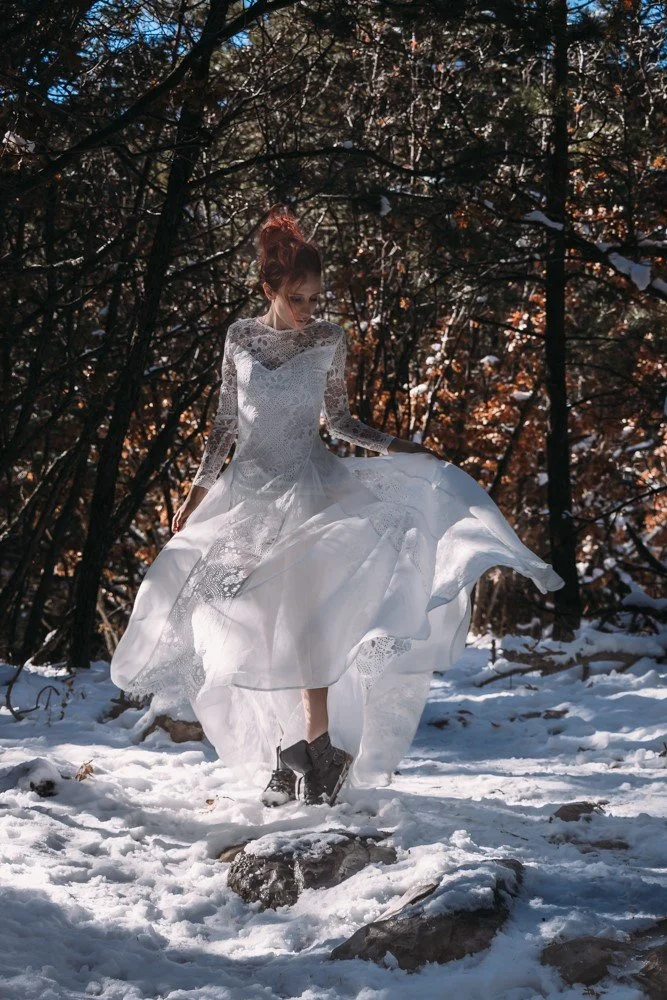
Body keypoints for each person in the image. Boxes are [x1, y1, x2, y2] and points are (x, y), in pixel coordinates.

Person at [110, 205, 565, 808]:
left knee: (307, 627)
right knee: (237, 619)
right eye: (298, 298)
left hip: (310, 489)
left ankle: (318, 749)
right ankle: (286, 748)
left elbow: (341, 421)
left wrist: (401, 448)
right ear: (269, 289)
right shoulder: (240, 337)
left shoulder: (329, 339)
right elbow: (222, 428)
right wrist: (195, 496)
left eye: (316, 299)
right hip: (245, 494)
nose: (309, 311)